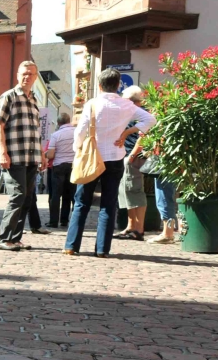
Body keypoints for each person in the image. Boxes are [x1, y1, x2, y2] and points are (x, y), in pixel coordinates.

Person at [64, 68, 156, 257]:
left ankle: (72, 246)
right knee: (108, 203)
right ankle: (102, 249)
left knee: (82, 202)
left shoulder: (92, 103)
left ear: (99, 85)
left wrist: (77, 149)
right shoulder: (126, 105)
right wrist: (126, 133)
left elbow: (80, 131)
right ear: (118, 85)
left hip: (92, 157)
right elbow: (150, 119)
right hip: (115, 157)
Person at [0, 61, 44, 252]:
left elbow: (35, 131)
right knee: (17, 195)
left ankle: (15, 238)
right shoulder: (9, 97)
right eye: (24, 73)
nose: (27, 77)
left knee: (27, 198)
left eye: (31, 74)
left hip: (31, 156)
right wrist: (2, 152)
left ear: (36, 77)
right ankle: (3, 237)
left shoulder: (34, 100)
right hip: (14, 155)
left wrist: (43, 155)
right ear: (17, 75)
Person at [114, 85, 150, 242]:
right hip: (126, 155)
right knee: (126, 192)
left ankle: (139, 229)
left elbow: (143, 136)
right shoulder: (131, 113)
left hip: (133, 156)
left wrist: (133, 155)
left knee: (134, 191)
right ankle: (130, 226)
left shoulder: (141, 114)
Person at [44, 112, 76, 228]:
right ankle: (65, 220)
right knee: (70, 194)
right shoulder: (77, 132)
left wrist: (46, 154)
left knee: (56, 195)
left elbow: (51, 155)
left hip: (59, 166)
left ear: (58, 123)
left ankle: (53, 221)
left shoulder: (56, 135)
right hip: (73, 166)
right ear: (69, 120)